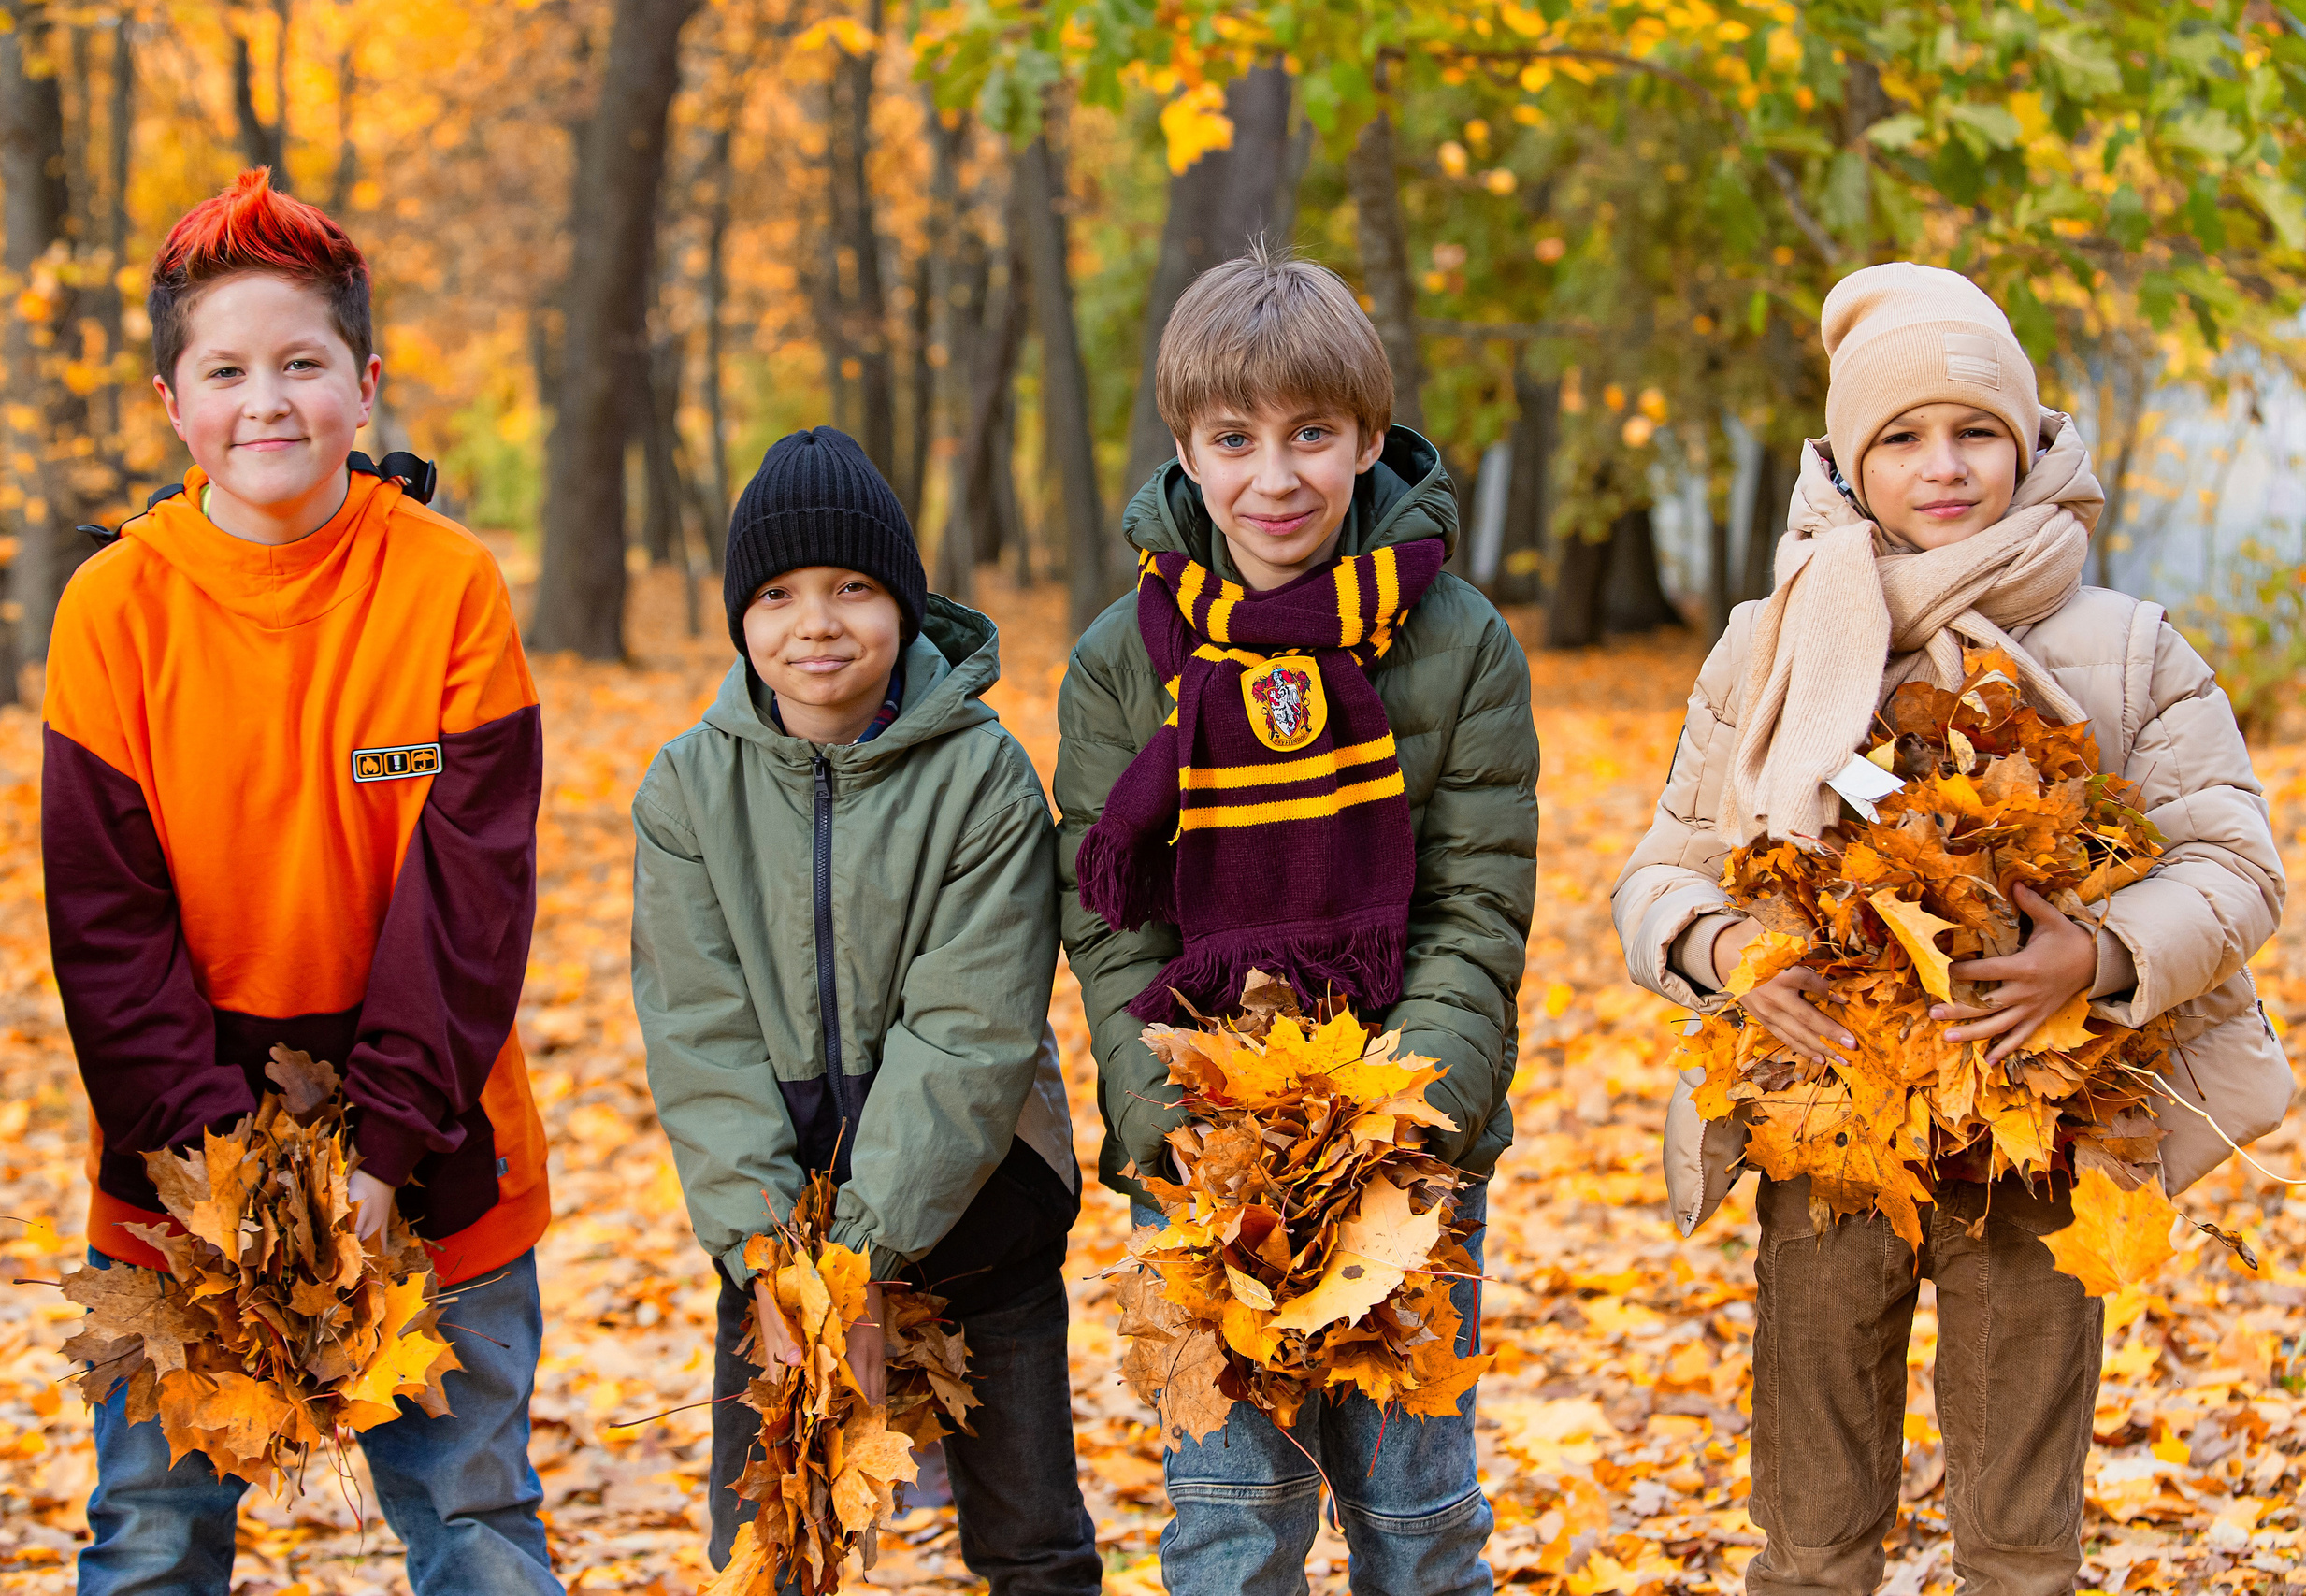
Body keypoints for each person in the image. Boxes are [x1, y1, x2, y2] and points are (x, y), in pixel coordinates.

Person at [1611, 262, 2293, 1596]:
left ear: (2031, 443)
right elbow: (1664, 870)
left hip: (2035, 1125)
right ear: (1850, 461)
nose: (1943, 464)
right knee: (1811, 1507)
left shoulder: (2130, 644)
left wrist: (2095, 955)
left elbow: (2235, 863)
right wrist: (1726, 954)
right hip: (1828, 1115)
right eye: (1902, 436)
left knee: (2022, 1515)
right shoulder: (1772, 645)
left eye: (1976, 430)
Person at [44, 169, 559, 1594]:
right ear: (172, 402)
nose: (264, 401)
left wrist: (380, 1154)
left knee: (474, 1518)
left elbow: (472, 907)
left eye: (300, 363)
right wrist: (232, 1185)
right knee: (152, 1532)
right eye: (225, 369)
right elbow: (104, 926)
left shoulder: (448, 585)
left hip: (435, 1142)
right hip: (177, 1152)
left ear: (364, 383)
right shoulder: (113, 607)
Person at [1056, 247, 1538, 1595]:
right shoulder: (1122, 654)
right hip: (1207, 1150)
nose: (1277, 477)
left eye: (1313, 434)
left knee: (1421, 1512)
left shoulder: (1457, 640)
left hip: (1406, 1143)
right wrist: (1172, 1116)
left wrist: (1402, 1114)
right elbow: (1107, 921)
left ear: (1370, 437)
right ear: (1187, 450)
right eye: (1235, 438)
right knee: (1230, 1514)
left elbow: (1477, 903)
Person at [630, 426, 1099, 1594]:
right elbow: (701, 1036)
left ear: (904, 602)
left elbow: (970, 1034)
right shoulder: (687, 789)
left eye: (853, 588)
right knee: (769, 1547)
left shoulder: (982, 776)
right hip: (778, 1232)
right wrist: (775, 1262)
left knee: (1031, 1537)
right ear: (741, 617)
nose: (817, 624)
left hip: (985, 1204)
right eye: (778, 595)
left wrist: (868, 1261)